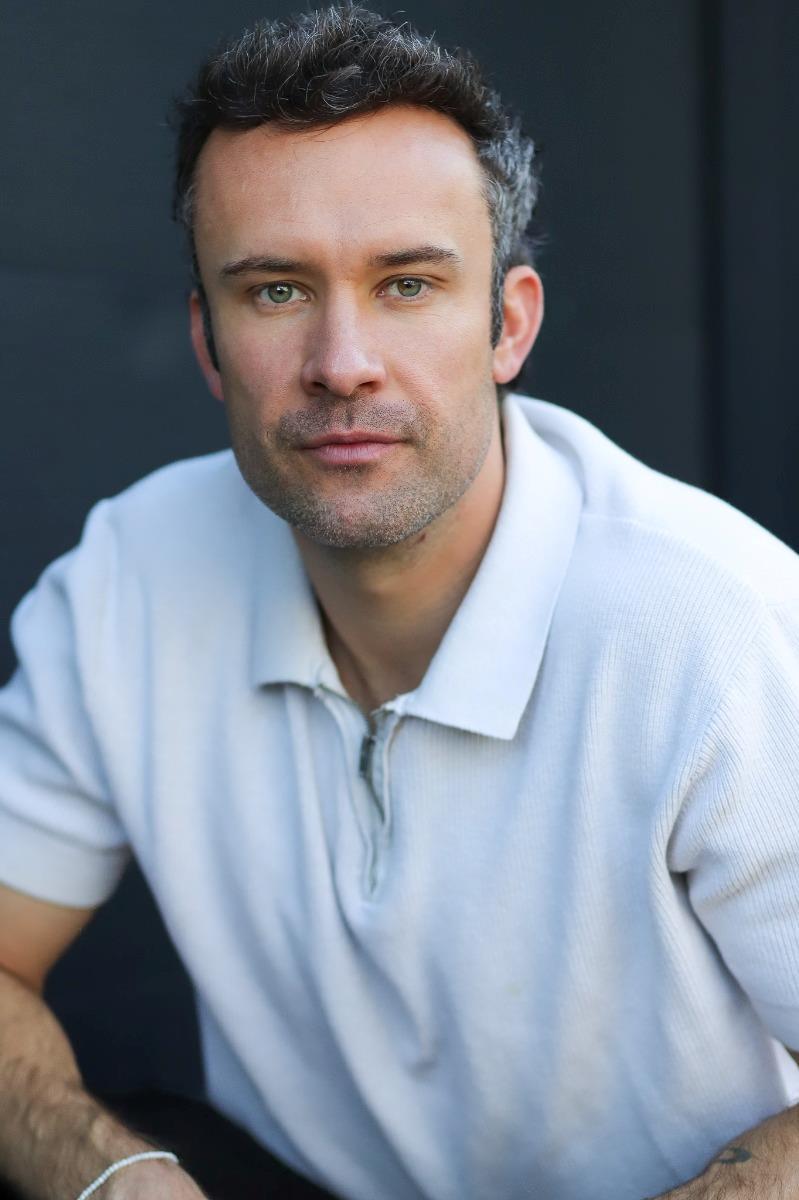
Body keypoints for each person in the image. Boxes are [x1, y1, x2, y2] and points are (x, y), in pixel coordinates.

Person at [0, 7, 798, 1200]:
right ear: (208, 343)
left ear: (507, 324)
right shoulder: (133, 574)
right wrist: (115, 1176)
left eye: (407, 283)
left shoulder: (715, 625)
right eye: (276, 291)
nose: (342, 362)